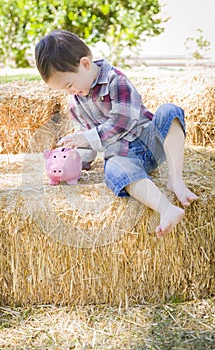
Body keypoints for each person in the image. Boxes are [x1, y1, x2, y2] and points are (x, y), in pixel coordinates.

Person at [35, 29, 198, 238]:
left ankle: (175, 178)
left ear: (85, 64)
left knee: (169, 111)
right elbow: (83, 133)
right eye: (63, 90)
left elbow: (122, 122)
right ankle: (166, 209)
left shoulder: (115, 80)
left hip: (150, 140)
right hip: (124, 155)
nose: (69, 92)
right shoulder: (75, 100)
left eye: (69, 85)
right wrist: (75, 162)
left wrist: (86, 138)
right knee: (113, 170)